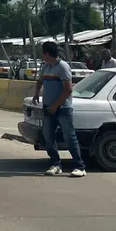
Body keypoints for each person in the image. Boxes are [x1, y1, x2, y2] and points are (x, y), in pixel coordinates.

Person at [35, 41, 84, 177]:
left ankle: (79, 166)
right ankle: (55, 164)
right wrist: (36, 93)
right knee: (49, 137)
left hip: (62, 109)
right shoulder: (45, 67)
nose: (41, 56)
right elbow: (40, 81)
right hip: (48, 109)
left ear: (46, 53)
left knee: (69, 137)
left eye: (42, 53)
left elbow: (68, 89)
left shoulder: (63, 67)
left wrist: (55, 106)